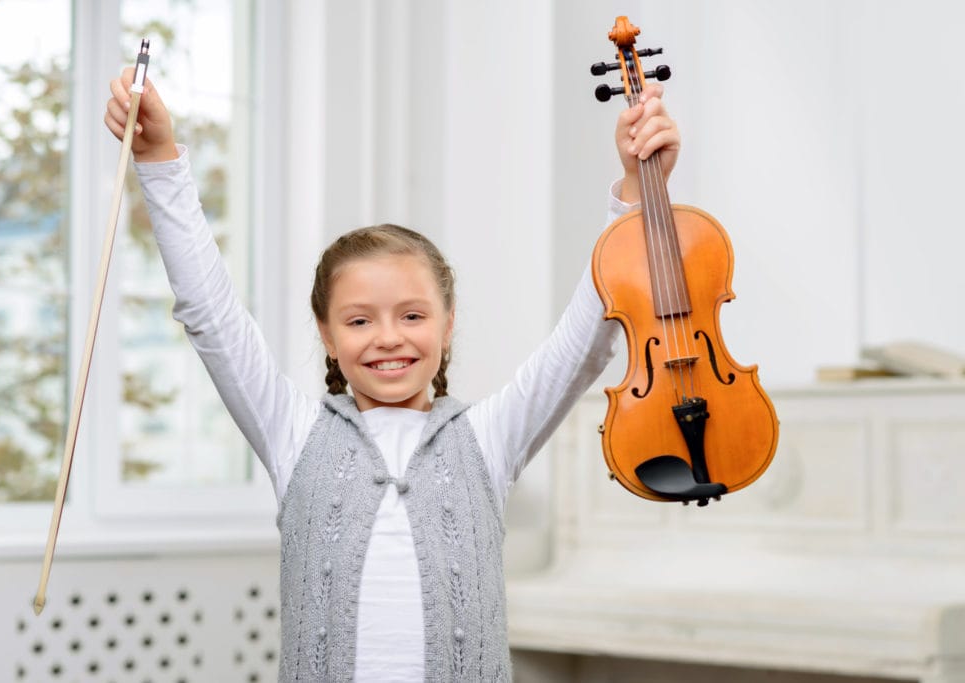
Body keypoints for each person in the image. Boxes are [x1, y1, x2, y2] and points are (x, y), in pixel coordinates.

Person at [105, 67, 679, 681]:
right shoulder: (292, 434)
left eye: (412, 315)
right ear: (325, 334)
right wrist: (160, 160)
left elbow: (586, 337)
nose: (388, 338)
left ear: (448, 324)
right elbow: (209, 314)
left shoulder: (489, 438)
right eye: (358, 321)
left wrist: (636, 191)